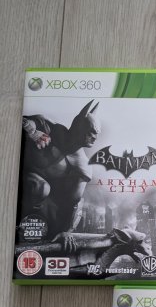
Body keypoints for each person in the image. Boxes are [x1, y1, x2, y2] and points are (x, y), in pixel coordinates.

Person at [20, 100, 100, 238]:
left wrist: (66, 232)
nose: (95, 138)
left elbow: (72, 203)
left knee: (40, 188)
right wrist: (32, 131)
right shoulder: (51, 128)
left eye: (97, 133)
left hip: (38, 198)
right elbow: (21, 121)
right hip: (18, 173)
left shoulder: (83, 166)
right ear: (79, 127)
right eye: (91, 132)